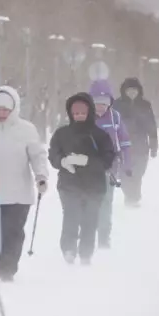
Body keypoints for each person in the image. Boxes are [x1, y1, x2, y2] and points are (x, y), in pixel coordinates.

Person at [0, 85, 49, 282]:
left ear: (13, 109)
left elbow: (37, 155)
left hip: (18, 194)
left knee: (13, 232)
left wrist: (41, 176)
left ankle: (7, 269)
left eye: (5, 110)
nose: (1, 114)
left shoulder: (26, 129)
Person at [48, 92, 116, 264]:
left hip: (94, 186)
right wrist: (62, 161)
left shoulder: (100, 135)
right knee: (71, 216)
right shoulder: (62, 134)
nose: (79, 116)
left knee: (90, 220)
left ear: (89, 112)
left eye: (82, 113)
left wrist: (88, 161)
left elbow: (108, 159)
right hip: (68, 184)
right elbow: (53, 154)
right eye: (75, 113)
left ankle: (86, 253)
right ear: (70, 113)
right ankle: (69, 249)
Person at [88, 79, 131, 249]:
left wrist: (127, 163)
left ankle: (104, 238)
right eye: (97, 103)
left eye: (105, 103)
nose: (101, 107)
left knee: (105, 204)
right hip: (88, 169)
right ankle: (88, 235)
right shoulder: (84, 118)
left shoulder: (115, 118)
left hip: (109, 169)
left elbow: (125, 141)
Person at [113, 77, 158, 207]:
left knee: (138, 173)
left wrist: (154, 145)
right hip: (123, 145)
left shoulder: (145, 105)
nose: (132, 92)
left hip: (141, 145)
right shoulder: (117, 105)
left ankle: (134, 196)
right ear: (124, 91)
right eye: (129, 90)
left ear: (139, 91)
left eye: (135, 90)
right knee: (125, 173)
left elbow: (152, 126)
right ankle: (131, 197)